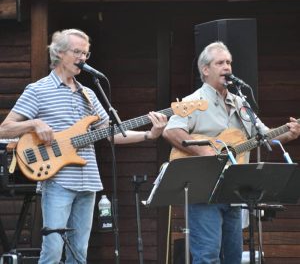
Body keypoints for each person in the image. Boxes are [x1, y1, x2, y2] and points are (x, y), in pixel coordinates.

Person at [0, 29, 167, 264]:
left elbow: (110, 133)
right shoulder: (38, 90)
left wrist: (149, 134)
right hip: (57, 179)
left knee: (79, 252)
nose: (82, 58)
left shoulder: (88, 93)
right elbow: (4, 128)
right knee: (53, 249)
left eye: (86, 54)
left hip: (88, 179)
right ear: (58, 53)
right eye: (77, 52)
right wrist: (35, 124)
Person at [163, 41, 300, 264]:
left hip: (234, 189)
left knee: (233, 257)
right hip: (204, 188)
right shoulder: (192, 101)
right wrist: (205, 151)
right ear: (205, 70)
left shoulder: (241, 103)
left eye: (229, 62)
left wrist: (289, 133)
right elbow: (171, 131)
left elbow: (264, 136)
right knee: (207, 256)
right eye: (220, 62)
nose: (227, 67)